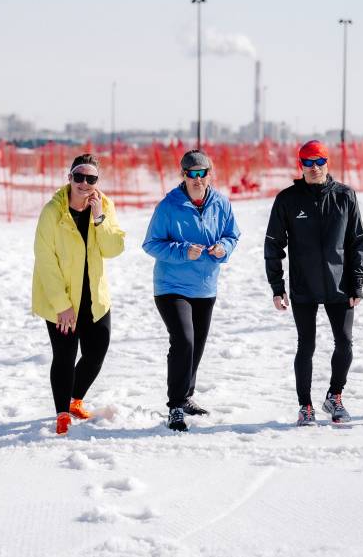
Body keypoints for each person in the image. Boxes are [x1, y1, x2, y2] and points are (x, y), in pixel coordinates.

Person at [265, 140, 363, 426]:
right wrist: (278, 287)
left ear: (327, 162)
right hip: (304, 287)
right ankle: (306, 406)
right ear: (300, 165)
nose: (314, 168)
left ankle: (335, 396)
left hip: (340, 285)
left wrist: (357, 283)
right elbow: (273, 245)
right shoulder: (287, 199)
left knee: (345, 344)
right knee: (306, 346)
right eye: (308, 162)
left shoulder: (345, 196)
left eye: (319, 162)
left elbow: (357, 242)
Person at [142, 149, 239, 432]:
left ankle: (186, 397)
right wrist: (184, 251)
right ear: (182, 176)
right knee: (183, 340)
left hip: (205, 286)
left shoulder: (221, 203)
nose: (197, 179)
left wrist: (224, 248)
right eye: (191, 174)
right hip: (171, 286)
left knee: (196, 346)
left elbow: (233, 234)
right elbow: (151, 244)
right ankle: (175, 406)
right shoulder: (169, 206)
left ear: (210, 174)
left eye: (202, 173)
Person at [32, 154, 126, 435]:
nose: (85, 183)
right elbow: (45, 260)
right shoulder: (53, 211)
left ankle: (74, 399)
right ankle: (62, 412)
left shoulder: (104, 206)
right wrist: (62, 305)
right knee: (64, 355)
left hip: (94, 298)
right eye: (79, 177)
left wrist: (99, 219)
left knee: (97, 352)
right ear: (69, 178)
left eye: (91, 178)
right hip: (60, 298)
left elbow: (114, 249)